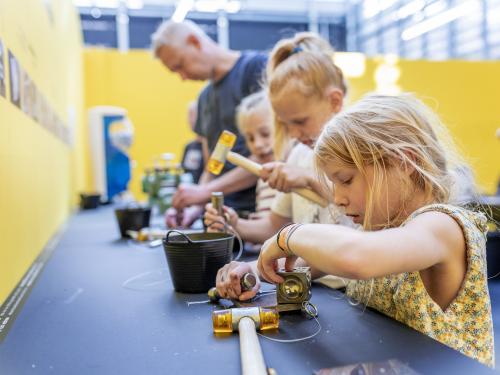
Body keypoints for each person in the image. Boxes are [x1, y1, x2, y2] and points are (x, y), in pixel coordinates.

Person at [219, 94, 494, 367]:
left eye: (346, 180)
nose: (337, 198)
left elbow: (355, 257)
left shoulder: (441, 226)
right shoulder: (383, 230)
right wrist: (254, 270)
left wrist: (288, 235)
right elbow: (307, 263)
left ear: (405, 163)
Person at [204, 32, 352, 244]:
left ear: (335, 102)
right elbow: (274, 226)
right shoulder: (298, 155)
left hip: (344, 278)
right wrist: (234, 224)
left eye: (300, 122)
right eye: (285, 124)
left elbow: (366, 213)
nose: (293, 134)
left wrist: (308, 179)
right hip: (305, 275)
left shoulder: (358, 152)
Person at [151, 20, 267, 227]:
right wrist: (195, 206)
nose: (183, 77)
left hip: (260, 215)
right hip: (220, 217)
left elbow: (269, 156)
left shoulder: (256, 70)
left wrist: (204, 192)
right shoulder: (204, 99)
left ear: (195, 42)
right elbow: (215, 162)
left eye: (180, 65)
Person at [180, 101, 207, 184]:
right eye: (189, 115)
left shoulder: (210, 147)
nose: (190, 120)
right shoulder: (188, 147)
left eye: (194, 115)